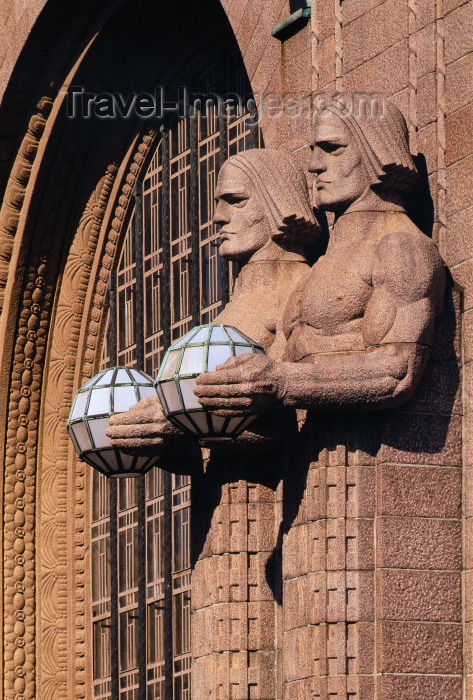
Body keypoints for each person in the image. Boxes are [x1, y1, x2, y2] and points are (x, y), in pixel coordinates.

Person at [194, 101, 446, 417]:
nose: (314, 165)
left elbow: (396, 371)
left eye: (331, 149)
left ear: (377, 151)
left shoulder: (400, 248)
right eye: (314, 150)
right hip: (310, 454)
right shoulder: (319, 266)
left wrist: (281, 381)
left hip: (373, 455)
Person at [106, 148, 320, 459]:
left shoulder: (301, 289)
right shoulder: (238, 303)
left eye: (236, 200)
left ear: (278, 201)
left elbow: (289, 420)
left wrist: (176, 425)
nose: (218, 216)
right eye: (219, 203)